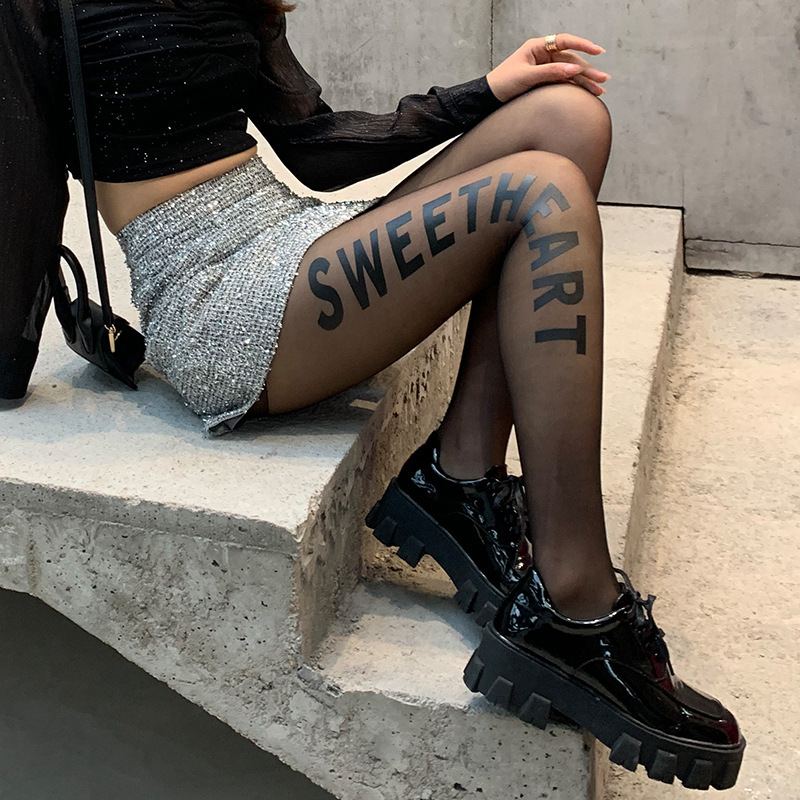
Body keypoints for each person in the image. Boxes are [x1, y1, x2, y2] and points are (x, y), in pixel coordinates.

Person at [0, 0, 744, 789]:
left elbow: (314, 146)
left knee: (566, 118)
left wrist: (489, 89)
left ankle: (462, 478)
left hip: (288, 233)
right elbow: (21, 177)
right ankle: (576, 602)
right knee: (542, 192)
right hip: (218, 297)